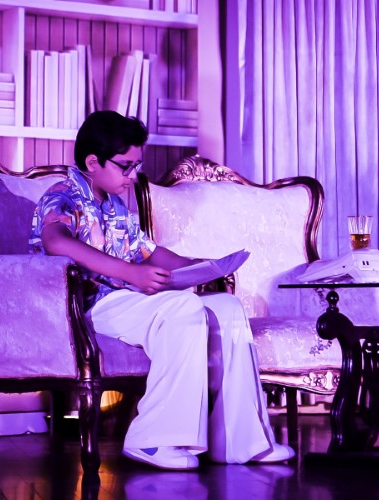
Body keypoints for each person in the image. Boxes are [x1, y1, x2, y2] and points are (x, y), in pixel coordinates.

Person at [29, 111, 295, 471]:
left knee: (228, 308)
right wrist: (130, 273)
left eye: (136, 166)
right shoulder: (62, 195)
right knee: (182, 309)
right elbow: (56, 242)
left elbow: (149, 251)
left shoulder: (114, 204)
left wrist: (201, 265)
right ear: (93, 162)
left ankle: (241, 442)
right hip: (86, 306)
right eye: (125, 166)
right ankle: (153, 440)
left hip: (126, 301)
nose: (132, 176)